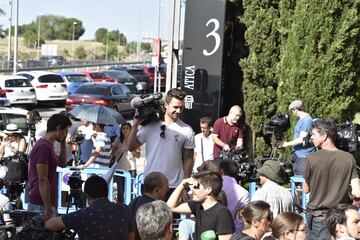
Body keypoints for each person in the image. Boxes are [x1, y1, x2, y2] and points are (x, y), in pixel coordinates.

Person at [128, 88, 195, 192]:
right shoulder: (149, 126)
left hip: (173, 186)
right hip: (149, 184)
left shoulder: (187, 130)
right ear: (166, 105)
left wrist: (184, 186)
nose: (178, 111)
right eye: (175, 107)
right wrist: (135, 125)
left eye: (181, 108)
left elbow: (188, 159)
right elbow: (131, 147)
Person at [303, 118, 360, 240]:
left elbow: (306, 189)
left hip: (318, 217)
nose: (311, 137)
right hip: (340, 219)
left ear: (324, 136)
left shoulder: (311, 158)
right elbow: (357, 192)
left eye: (313, 134)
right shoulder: (349, 158)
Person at [45, 175, 135, 240]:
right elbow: (131, 237)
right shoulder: (125, 210)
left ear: (87, 195)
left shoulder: (81, 215)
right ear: (106, 192)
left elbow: (49, 224)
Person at [27, 113, 72, 220]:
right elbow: (42, 179)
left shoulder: (48, 146)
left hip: (48, 202)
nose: (65, 134)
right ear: (58, 129)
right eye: (65, 131)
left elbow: (62, 163)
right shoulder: (43, 147)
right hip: (41, 204)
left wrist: (62, 143)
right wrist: (47, 207)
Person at [167, 170, 234, 240]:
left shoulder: (222, 213)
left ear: (208, 190)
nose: (193, 189)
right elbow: (170, 207)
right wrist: (182, 184)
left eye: (196, 186)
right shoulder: (198, 206)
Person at [277, 100, 316, 175]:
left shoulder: (307, 120)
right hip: (298, 155)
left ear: (296, 109)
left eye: (292, 110)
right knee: (297, 182)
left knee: (303, 181)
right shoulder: (301, 120)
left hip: (304, 156)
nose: (292, 112)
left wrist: (286, 144)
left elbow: (302, 139)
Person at [129, 172, 169, 240]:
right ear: (157, 190)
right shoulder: (157, 208)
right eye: (166, 187)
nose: (168, 189)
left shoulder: (135, 201)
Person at [219, 160, 249, 232]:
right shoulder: (244, 192)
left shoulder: (214, 186)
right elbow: (241, 219)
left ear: (221, 171)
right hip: (231, 231)